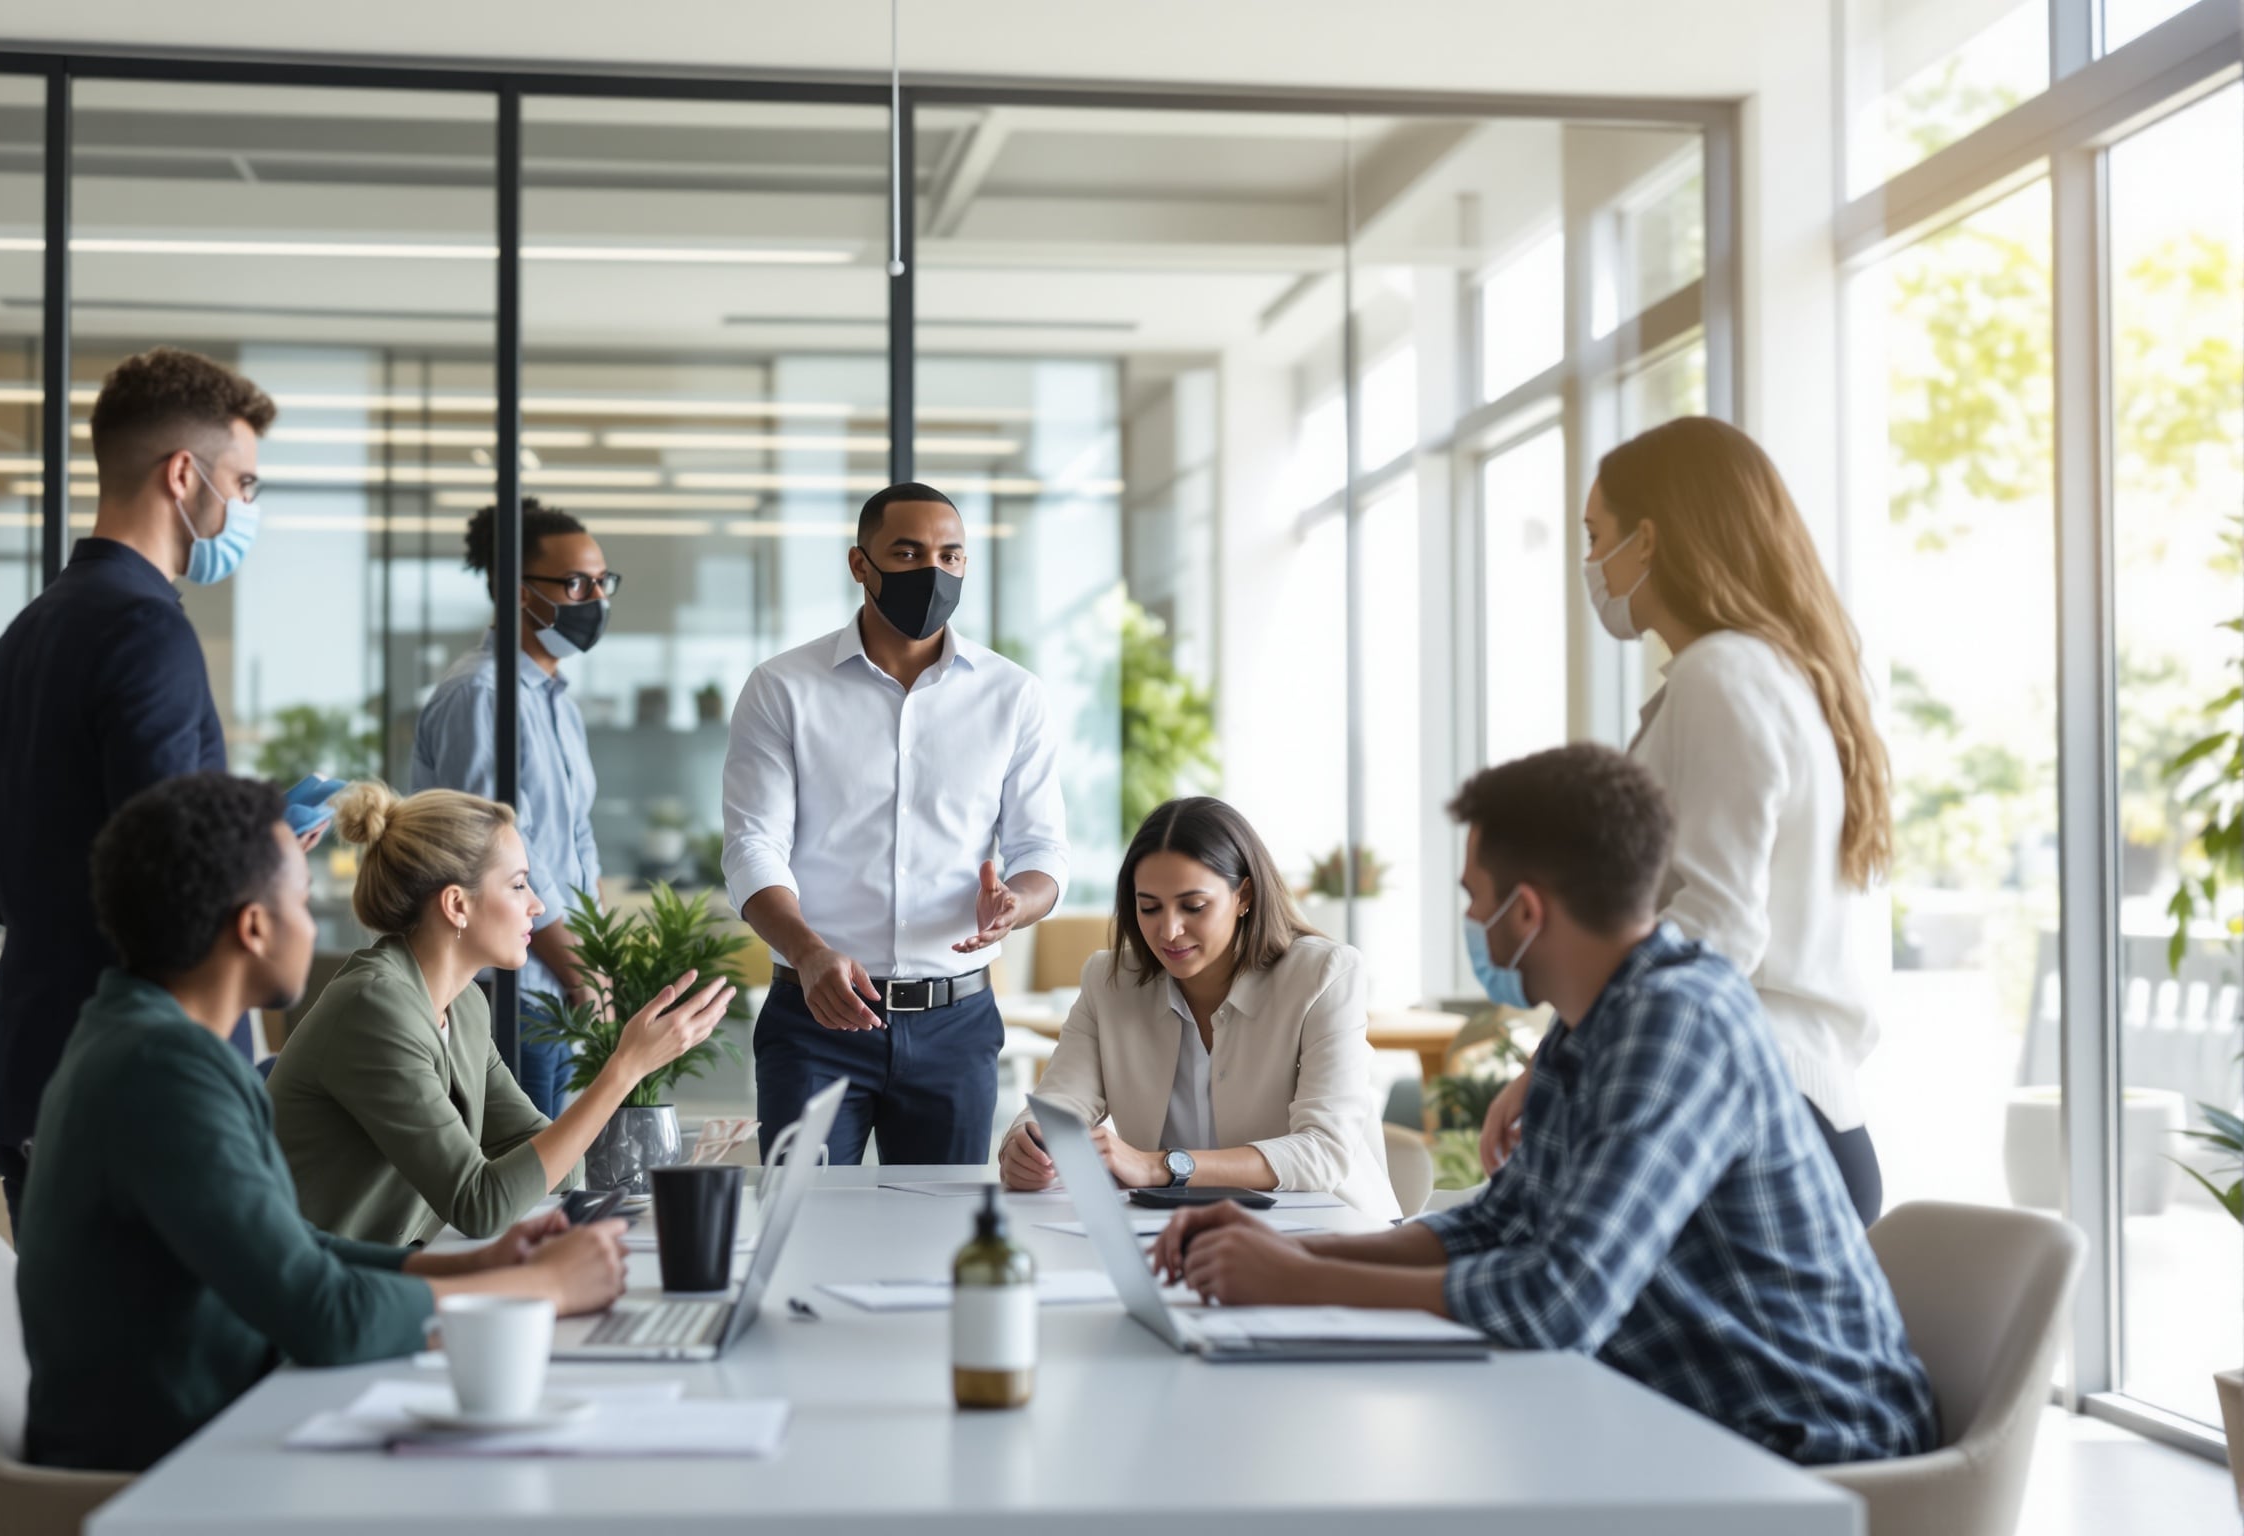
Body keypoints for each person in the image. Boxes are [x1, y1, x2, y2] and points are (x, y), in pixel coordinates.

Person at [1150, 746, 1936, 1468]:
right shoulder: (1590, 1017)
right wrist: (1287, 1250)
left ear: (1525, 912)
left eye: (1474, 898)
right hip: (1677, 1409)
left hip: (1802, 1438)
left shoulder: (1679, 1023)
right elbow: (1500, 1225)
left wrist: (1298, 1281)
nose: (1469, 921)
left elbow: (1559, 1301)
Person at [18, 773, 628, 1473]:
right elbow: (326, 1315)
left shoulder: (151, 1044)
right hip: (172, 1464)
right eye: (304, 903)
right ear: (255, 927)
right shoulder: (164, 1073)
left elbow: (295, 1247)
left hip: (208, 1418)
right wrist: (542, 1289)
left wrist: (473, 1264)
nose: (314, 930)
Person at [1479, 416, 1893, 1223]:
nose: (1592, 563)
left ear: (1648, 539)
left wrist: (1563, 1060)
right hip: (1800, 1107)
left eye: (1597, 536)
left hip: (1757, 1113)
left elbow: (1716, 926)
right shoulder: (1775, 675)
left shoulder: (1720, 675)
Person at [0, 347, 283, 1234]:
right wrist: (261, 854)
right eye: (244, 483)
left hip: (33, 1071)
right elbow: (172, 879)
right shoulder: (147, 632)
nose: (248, 507)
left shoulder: (22, 639)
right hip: (145, 1083)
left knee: (75, 1322)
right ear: (183, 475)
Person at [723, 482, 1069, 1165]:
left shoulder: (1013, 695)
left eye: (950, 555)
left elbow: (1042, 850)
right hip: (814, 1020)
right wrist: (808, 951)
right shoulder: (782, 687)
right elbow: (753, 846)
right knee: (805, 1217)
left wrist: (1016, 903)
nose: (932, 572)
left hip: (956, 1025)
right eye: (907, 553)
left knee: (944, 1224)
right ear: (861, 564)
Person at [271, 783, 735, 1246]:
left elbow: (559, 1167)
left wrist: (621, 1074)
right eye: (517, 885)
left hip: (383, 1267)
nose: (537, 904)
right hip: (302, 1280)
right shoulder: (376, 1009)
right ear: (457, 905)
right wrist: (626, 1068)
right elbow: (480, 1205)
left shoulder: (465, 1006)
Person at [999, 797, 1399, 1220]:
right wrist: (1026, 1146)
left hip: (1330, 1228)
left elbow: (1323, 1150)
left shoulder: (1324, 974)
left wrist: (1160, 1166)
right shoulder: (1109, 981)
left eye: (1193, 906)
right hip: (1173, 1231)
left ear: (1244, 895)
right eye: (1149, 907)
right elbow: (1061, 1103)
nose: (1169, 930)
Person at [410, 500, 612, 1118]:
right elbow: (494, 857)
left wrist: (597, 961)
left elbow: (576, 838)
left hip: (557, 982)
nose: (597, 598)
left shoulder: (557, 702)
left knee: (555, 1157)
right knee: (522, 1164)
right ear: (521, 593)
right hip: (509, 986)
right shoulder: (480, 695)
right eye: (577, 583)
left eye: (602, 581)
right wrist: (580, 973)